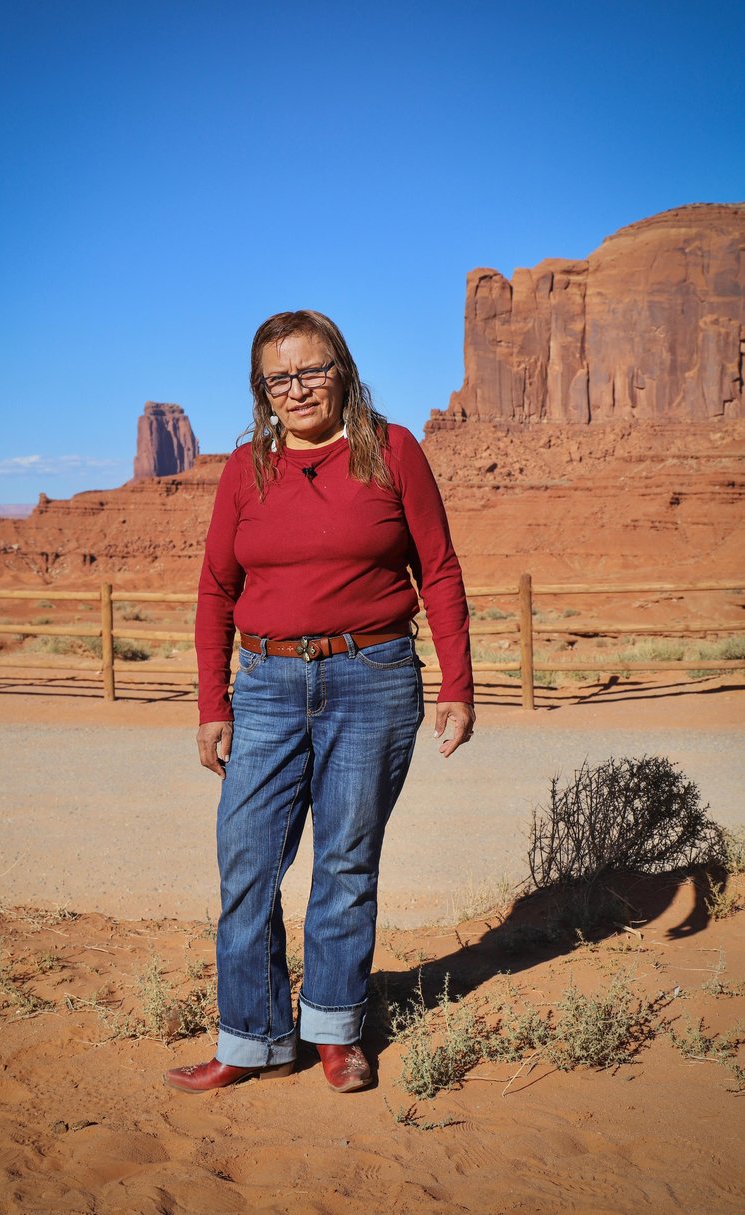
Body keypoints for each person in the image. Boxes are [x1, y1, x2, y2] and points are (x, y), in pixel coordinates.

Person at [165, 310, 475, 1095]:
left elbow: (437, 570)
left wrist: (457, 684)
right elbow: (215, 589)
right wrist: (213, 699)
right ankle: (255, 1035)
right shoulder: (245, 469)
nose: (298, 388)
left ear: (342, 368)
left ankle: (335, 1029)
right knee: (246, 857)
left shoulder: (393, 449)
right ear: (261, 389)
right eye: (280, 377)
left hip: (371, 677)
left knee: (344, 859)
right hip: (266, 683)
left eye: (312, 370)